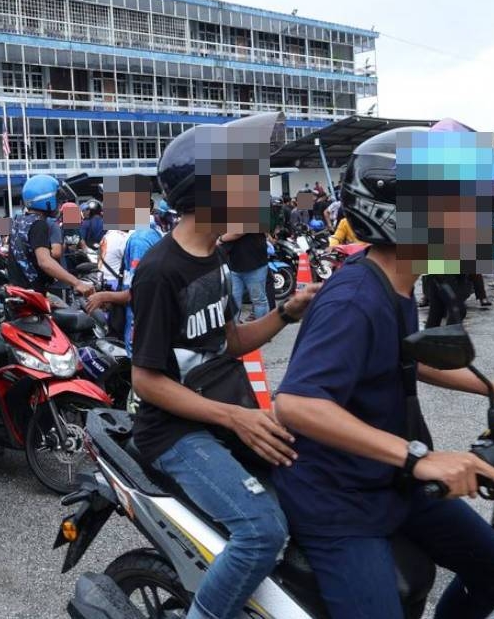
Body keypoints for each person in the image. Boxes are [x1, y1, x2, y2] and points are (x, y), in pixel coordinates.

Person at [273, 126, 494, 619]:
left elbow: (411, 355)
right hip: (340, 500)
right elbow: (297, 403)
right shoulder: (353, 299)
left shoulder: (397, 281)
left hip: (392, 480)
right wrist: (418, 458)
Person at [129, 114, 320, 619]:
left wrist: (285, 313)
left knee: (317, 487)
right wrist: (237, 418)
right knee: (262, 530)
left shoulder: (215, 255)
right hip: (176, 433)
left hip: (226, 411)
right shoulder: (159, 271)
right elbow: (145, 381)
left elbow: (230, 342)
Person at [86, 199, 178, 353]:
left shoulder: (138, 240)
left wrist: (103, 296)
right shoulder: (151, 232)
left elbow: (137, 292)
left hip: (140, 321)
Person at [7, 175, 95, 298]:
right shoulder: (39, 224)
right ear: (46, 200)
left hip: (20, 293)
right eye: (57, 200)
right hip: (33, 296)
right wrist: (77, 283)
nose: (60, 205)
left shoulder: (19, 221)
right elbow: (45, 262)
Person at [217, 233, 271, 321]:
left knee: (258, 301)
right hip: (234, 264)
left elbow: (239, 231)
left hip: (254, 263)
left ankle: (262, 331)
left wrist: (220, 239)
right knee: (233, 302)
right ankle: (234, 331)